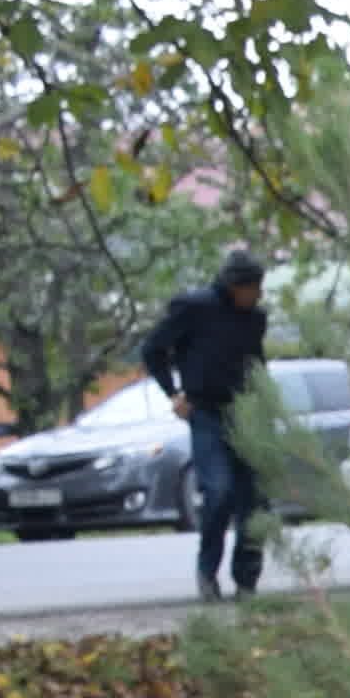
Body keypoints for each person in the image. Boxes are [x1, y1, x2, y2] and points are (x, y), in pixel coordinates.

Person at [140, 246, 269, 598]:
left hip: (248, 414)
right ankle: (207, 572)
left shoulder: (255, 318)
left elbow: (257, 364)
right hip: (206, 412)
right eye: (253, 288)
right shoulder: (195, 308)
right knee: (219, 490)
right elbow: (152, 350)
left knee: (254, 501)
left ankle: (246, 580)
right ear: (234, 285)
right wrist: (173, 393)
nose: (258, 295)